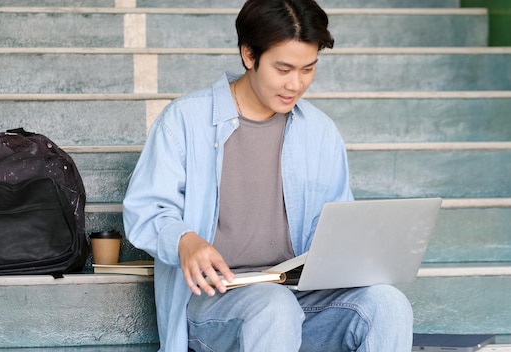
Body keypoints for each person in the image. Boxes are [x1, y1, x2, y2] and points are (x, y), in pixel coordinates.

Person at [122, 0, 414, 350]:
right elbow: (146, 209)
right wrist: (185, 240)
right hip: (214, 300)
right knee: (274, 307)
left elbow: (340, 229)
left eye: (308, 69)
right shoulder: (184, 121)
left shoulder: (320, 132)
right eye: (284, 68)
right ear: (249, 55)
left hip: (299, 297)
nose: (296, 84)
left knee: (388, 304)